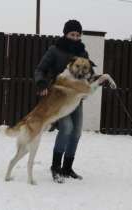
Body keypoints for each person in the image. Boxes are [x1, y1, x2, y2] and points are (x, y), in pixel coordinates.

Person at [35, 20, 91, 183]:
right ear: (65, 34)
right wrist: (41, 82)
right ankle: (56, 167)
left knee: (77, 131)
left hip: (76, 97)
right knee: (66, 128)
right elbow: (40, 69)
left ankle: (67, 168)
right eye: (72, 34)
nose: (75, 38)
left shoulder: (83, 52)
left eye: (78, 35)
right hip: (59, 97)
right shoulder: (55, 50)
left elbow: (87, 71)